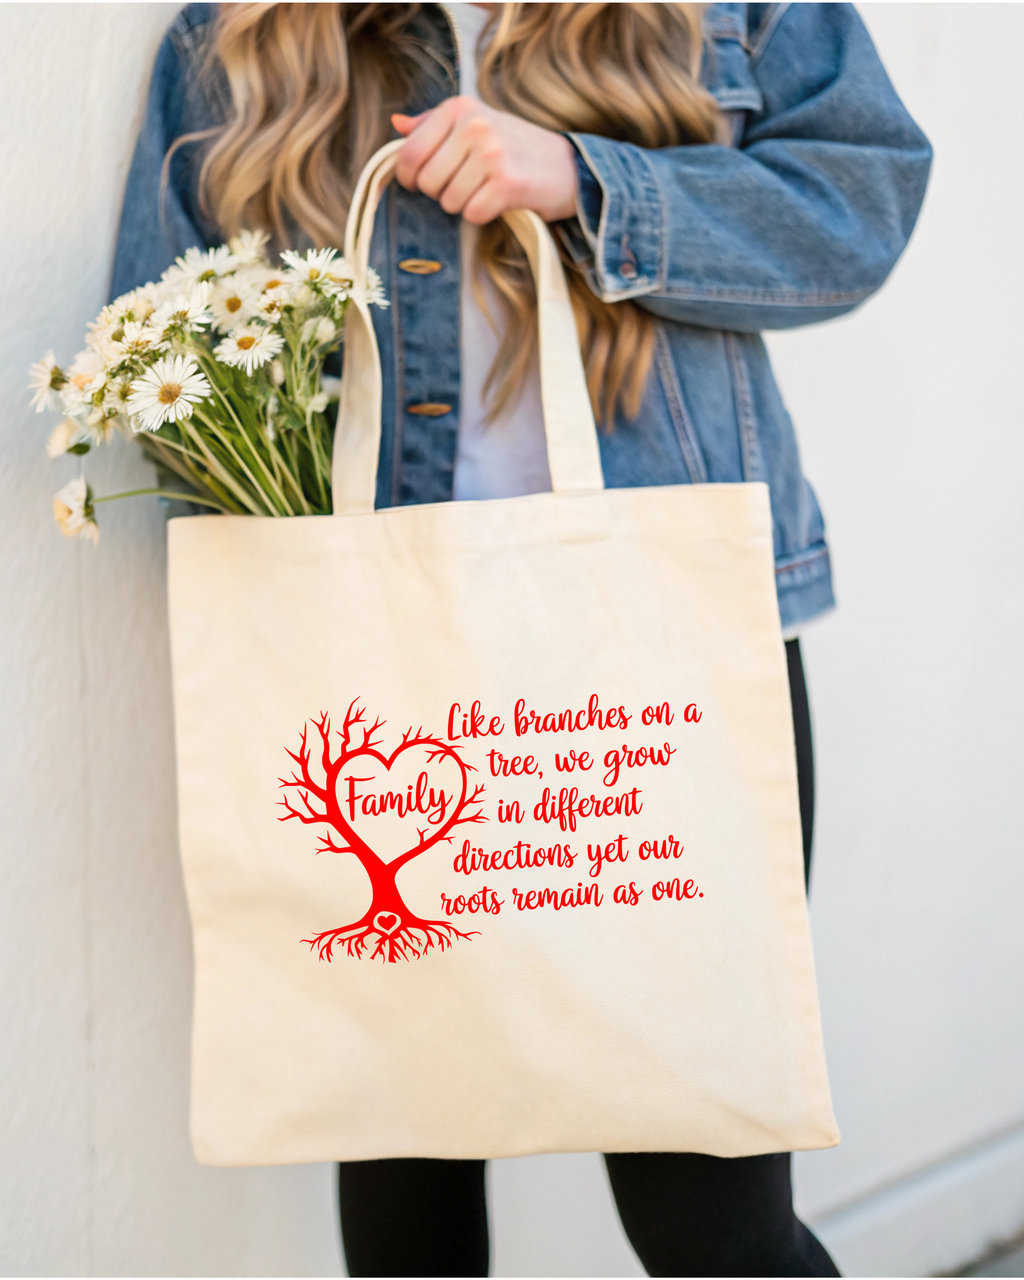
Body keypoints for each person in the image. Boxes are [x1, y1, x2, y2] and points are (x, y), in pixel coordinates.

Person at [112, 3, 931, 1275]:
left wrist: (588, 183)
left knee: (706, 1203)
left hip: (667, 662)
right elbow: (159, 337)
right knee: (400, 1175)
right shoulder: (234, 32)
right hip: (374, 671)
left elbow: (859, 200)